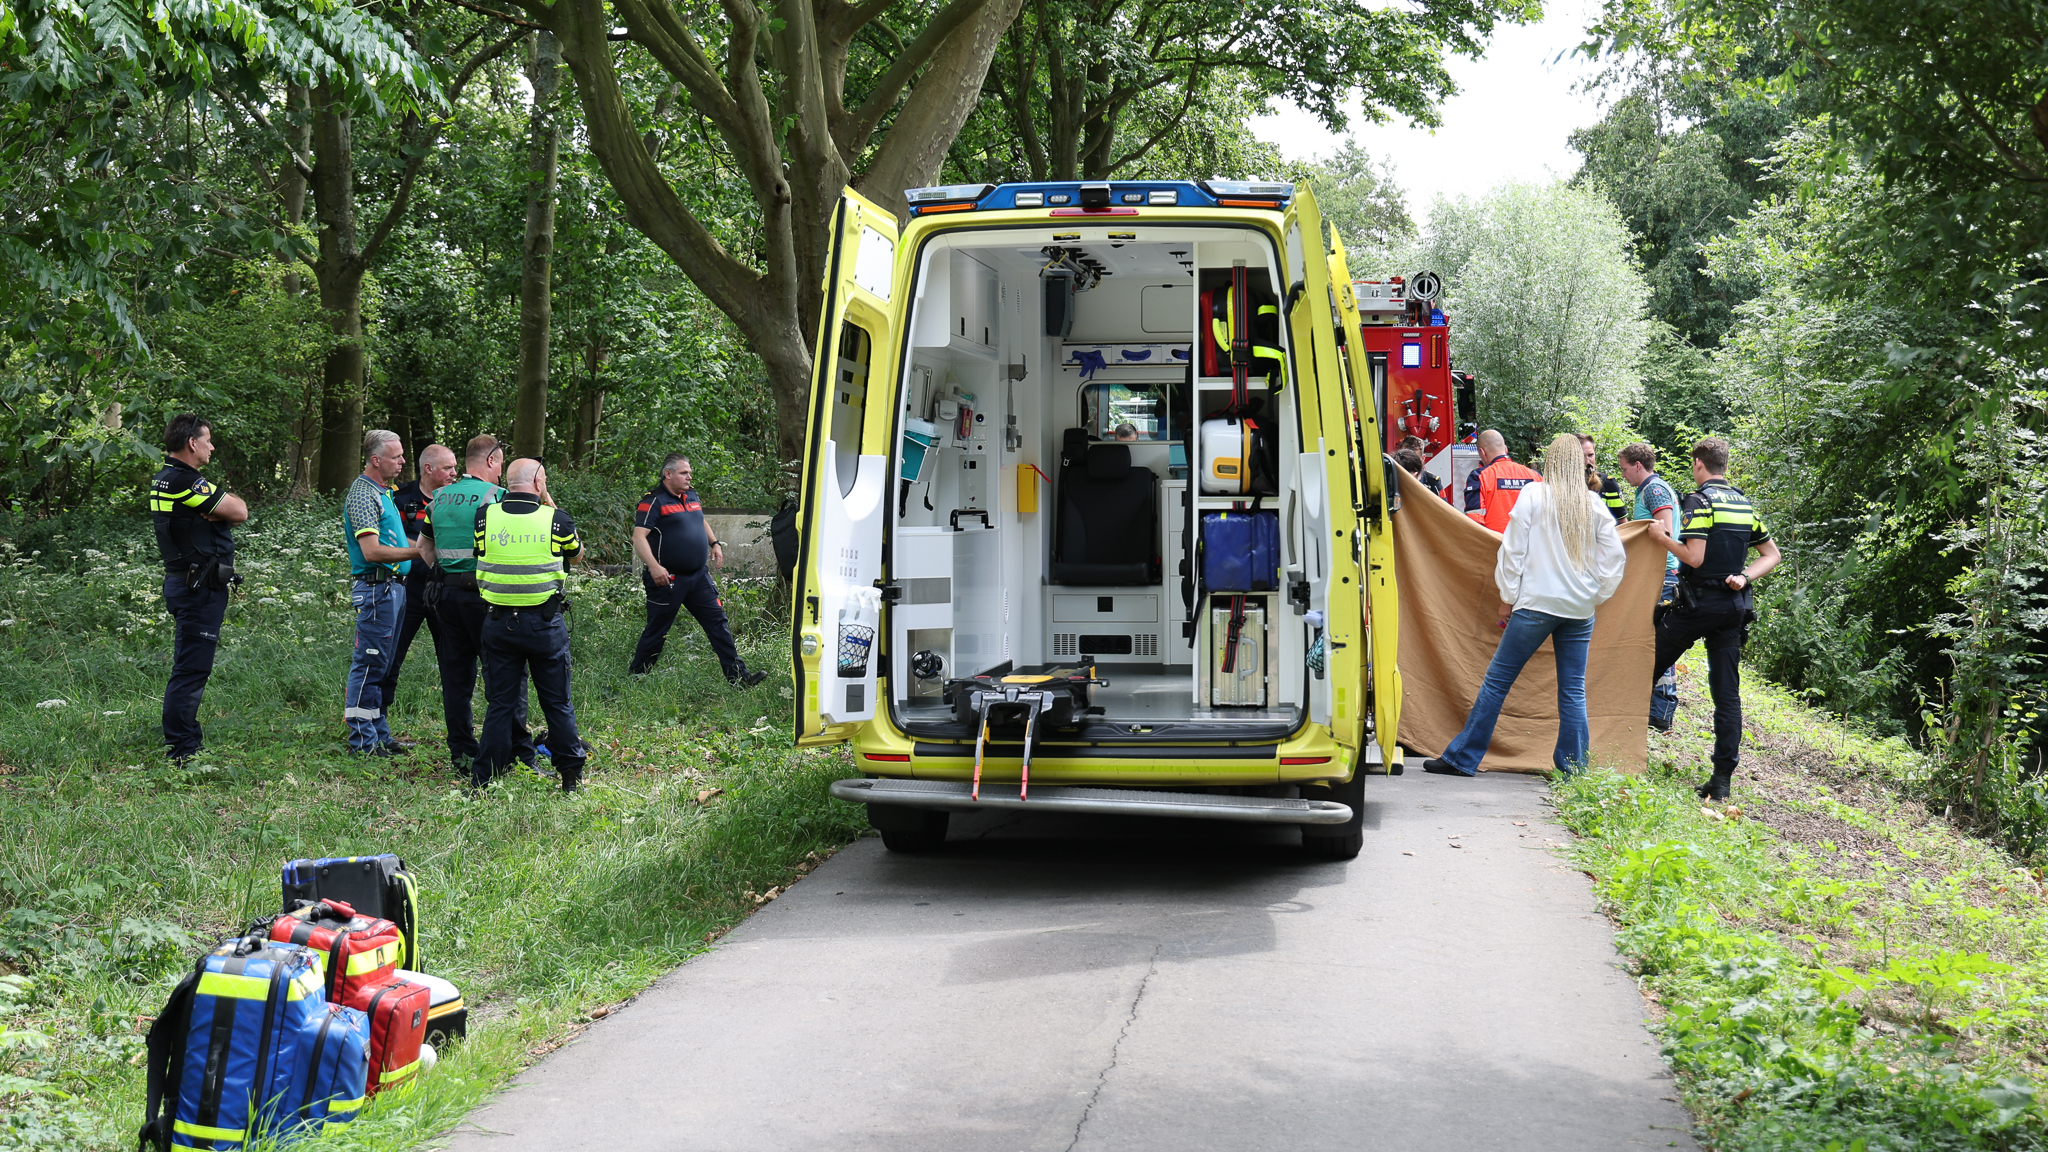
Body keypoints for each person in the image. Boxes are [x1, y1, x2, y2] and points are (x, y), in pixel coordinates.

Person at [1425, 434, 1627, 779]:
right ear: (1579, 464)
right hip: (1579, 610)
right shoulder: (1593, 504)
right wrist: (1594, 595)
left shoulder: (1534, 496)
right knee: (1573, 689)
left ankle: (1463, 757)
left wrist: (1508, 597)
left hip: (1535, 604)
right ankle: (1573, 771)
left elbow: (1512, 551)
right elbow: (1615, 560)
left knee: (1497, 682)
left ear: (1549, 462)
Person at [1647, 437, 1782, 802]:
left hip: (1697, 606)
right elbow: (1772, 554)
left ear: (1699, 465)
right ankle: (1721, 781)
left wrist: (1661, 538)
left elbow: (1693, 557)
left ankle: (1615, 747)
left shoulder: (1699, 501)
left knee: (1642, 670)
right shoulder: (1743, 503)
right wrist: (1746, 576)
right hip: (1733, 607)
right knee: (1727, 694)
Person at [474, 458, 587, 791]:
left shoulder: (484, 517)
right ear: (539, 483)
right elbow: (577, 555)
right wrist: (551, 503)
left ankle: (484, 778)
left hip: (497, 623)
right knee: (557, 702)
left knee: (500, 704)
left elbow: (482, 552)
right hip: (545, 625)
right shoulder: (557, 520)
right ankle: (570, 777)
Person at [425, 435, 532, 774]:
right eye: (500, 463)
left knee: (456, 680)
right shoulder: (497, 498)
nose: (501, 472)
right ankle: (511, 752)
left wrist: (444, 576)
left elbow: (424, 548)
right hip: (486, 599)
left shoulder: (438, 498)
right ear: (489, 461)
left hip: (446, 599)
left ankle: (461, 753)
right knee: (505, 676)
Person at [150, 414, 249, 763]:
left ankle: (187, 739)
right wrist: (219, 509)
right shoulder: (185, 482)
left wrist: (213, 509)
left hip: (186, 583)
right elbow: (240, 511)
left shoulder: (164, 478)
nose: (211, 446)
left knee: (189, 665)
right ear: (192, 443)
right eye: (208, 440)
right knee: (192, 669)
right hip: (198, 589)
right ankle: (182, 749)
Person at [628, 455, 768, 686]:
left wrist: (715, 543)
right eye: (684, 473)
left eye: (690, 473)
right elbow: (638, 536)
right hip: (667, 579)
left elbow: (700, 520)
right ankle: (636, 678)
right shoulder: (653, 501)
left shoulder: (692, 495)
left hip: (698, 577)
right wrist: (654, 568)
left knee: (718, 623)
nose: (689, 476)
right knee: (657, 631)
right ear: (668, 474)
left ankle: (739, 678)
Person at [343, 430, 423, 755]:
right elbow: (373, 551)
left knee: (383, 666)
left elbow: (397, 542)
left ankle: (378, 735)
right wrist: (422, 553)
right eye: (396, 456)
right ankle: (362, 744)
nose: (403, 461)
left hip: (394, 590)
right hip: (377, 590)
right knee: (369, 664)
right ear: (376, 460)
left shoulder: (384, 492)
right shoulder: (363, 495)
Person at [378, 443, 458, 724]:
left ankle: (458, 729)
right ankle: (378, 723)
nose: (454, 473)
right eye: (448, 468)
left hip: (443, 588)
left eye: (455, 467)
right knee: (391, 656)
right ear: (428, 469)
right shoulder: (397, 497)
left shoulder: (456, 501)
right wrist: (425, 549)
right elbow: (389, 540)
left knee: (453, 661)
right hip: (407, 588)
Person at [1619, 442, 1682, 731]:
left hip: (1662, 573)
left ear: (1638, 466)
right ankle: (1654, 709)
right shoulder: (1649, 489)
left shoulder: (1653, 490)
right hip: (1659, 572)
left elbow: (1664, 529)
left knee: (1658, 642)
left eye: (1625, 469)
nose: (1624, 475)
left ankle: (1660, 711)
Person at [1463, 429, 1542, 532]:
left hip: (1494, 545)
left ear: (1482, 452)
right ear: (1505, 449)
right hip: (1529, 545)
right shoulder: (1535, 476)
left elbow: (1473, 523)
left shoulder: (1478, 477)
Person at [1577, 433, 1627, 523]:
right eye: (1581, 456)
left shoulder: (1608, 484)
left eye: (1590, 455)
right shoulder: (1562, 484)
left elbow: (1623, 523)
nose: (1587, 461)